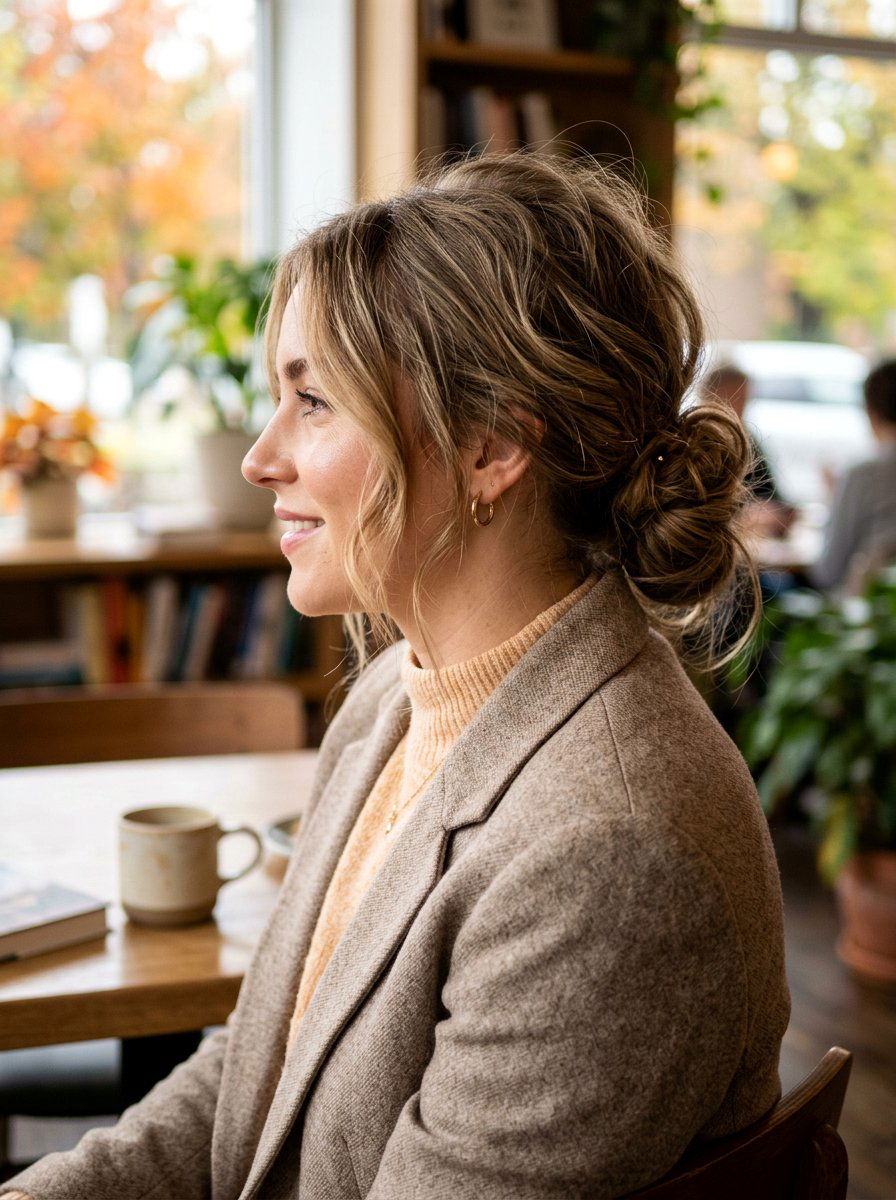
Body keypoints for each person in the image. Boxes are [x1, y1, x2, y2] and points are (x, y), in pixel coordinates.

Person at [2, 153, 790, 1200]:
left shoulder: (611, 848)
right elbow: (258, 1066)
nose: (259, 457)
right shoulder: (391, 699)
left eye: (314, 402)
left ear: (491, 445)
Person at [810, 359, 896, 593]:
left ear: (870, 410)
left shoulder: (862, 475)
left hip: (863, 620)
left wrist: (833, 498)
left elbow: (826, 572)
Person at [701, 363, 796, 539]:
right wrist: (746, 518)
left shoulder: (746, 439)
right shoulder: (697, 444)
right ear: (711, 397)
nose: (743, 407)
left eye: (746, 399)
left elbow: (772, 495)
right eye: (736, 398)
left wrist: (782, 513)